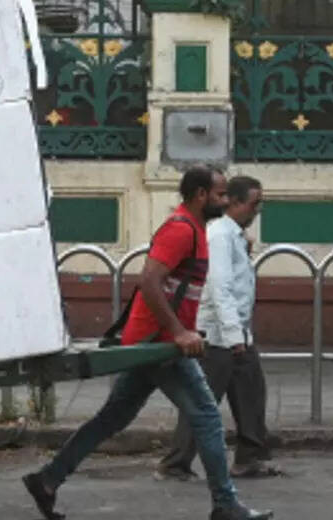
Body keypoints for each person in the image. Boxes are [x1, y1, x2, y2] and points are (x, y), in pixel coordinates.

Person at [21, 167, 273, 520]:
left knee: (113, 418)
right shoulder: (181, 229)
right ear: (200, 195)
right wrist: (178, 332)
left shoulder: (197, 229)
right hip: (159, 344)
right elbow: (150, 280)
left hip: (153, 340)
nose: (226, 200)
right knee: (207, 416)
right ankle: (225, 503)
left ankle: (48, 479)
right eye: (220, 194)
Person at [158, 175, 276, 480]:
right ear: (235, 202)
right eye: (254, 204)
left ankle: (250, 456)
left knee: (251, 391)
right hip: (218, 335)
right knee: (204, 400)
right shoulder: (220, 236)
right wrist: (235, 336)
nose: (257, 211)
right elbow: (220, 288)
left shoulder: (233, 235)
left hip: (235, 331)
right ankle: (176, 463)